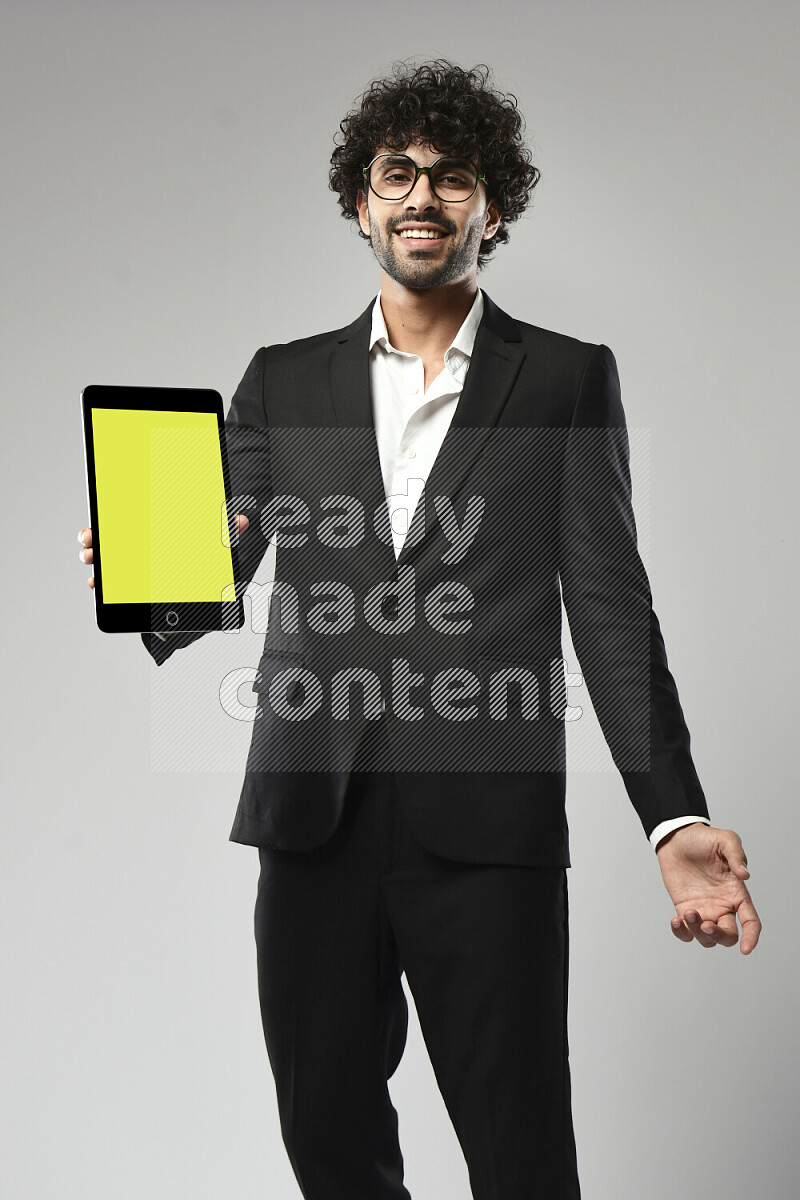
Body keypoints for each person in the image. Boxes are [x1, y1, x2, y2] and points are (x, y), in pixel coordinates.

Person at [77, 59, 761, 1200]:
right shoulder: (281, 380)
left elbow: (606, 603)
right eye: (395, 175)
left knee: (519, 1148)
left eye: (451, 178)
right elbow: (225, 553)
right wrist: (154, 572)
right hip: (313, 815)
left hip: (484, 824)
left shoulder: (563, 379)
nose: (421, 198)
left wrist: (670, 814)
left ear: (491, 207)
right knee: (327, 1139)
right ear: (359, 204)